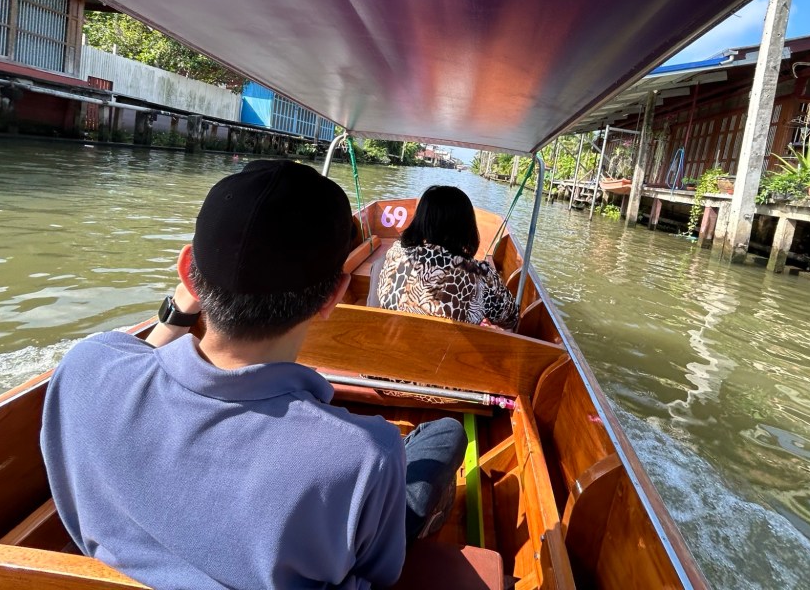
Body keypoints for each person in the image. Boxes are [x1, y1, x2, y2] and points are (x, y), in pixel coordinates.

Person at [41, 160, 466, 590]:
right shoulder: (367, 455)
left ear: (188, 273)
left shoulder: (84, 368)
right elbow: (379, 575)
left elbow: (139, 361)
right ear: (334, 296)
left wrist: (177, 313)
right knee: (444, 436)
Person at [376, 185, 519, 331]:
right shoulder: (479, 274)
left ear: (421, 220)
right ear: (466, 228)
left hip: (390, 340)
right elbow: (511, 318)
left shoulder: (395, 254)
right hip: (448, 345)